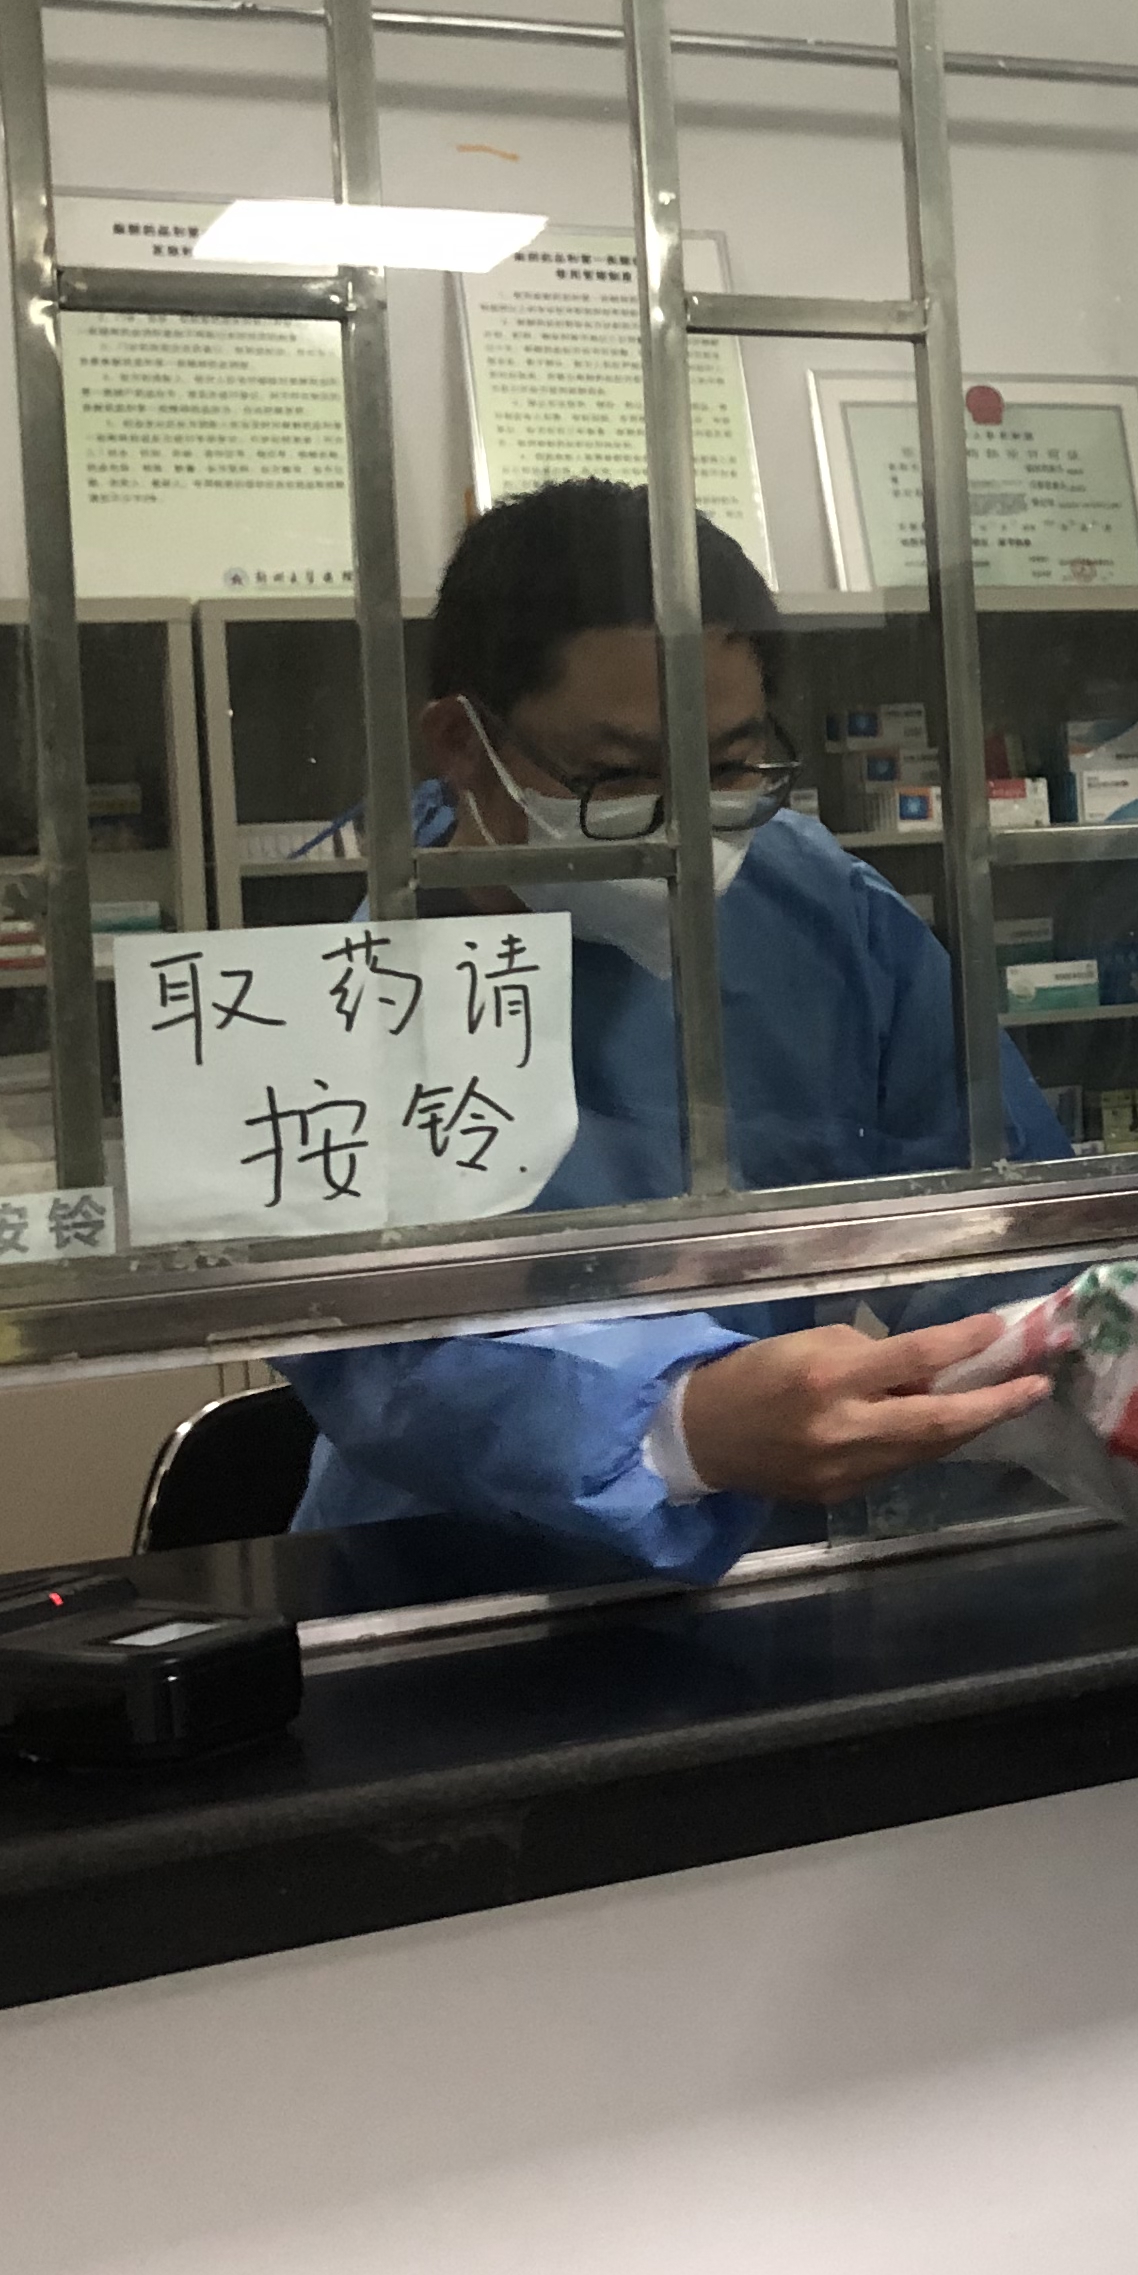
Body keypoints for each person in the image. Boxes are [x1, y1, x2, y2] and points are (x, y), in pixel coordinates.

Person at [279, 479, 1068, 1581]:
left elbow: (990, 1213)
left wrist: (1079, 1347)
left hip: (770, 1568)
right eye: (619, 776)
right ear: (462, 741)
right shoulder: (352, 1000)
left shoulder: (818, 913)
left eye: (730, 764)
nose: (691, 832)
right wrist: (677, 1424)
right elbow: (379, 1359)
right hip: (446, 1581)